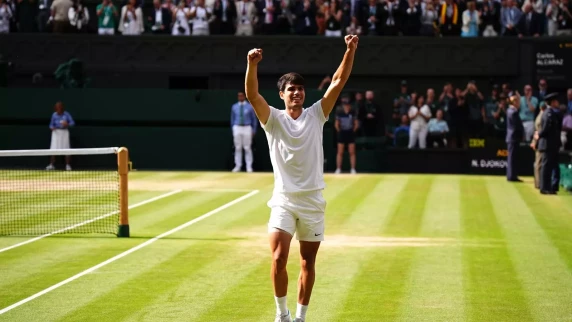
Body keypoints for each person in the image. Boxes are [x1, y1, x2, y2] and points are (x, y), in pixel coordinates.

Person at [244, 35, 359, 322]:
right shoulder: (272, 118)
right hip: (283, 200)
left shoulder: (317, 114)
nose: (297, 93)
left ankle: (300, 317)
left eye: (300, 89)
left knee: (308, 262)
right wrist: (251, 65)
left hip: (312, 201)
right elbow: (252, 95)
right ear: (282, 94)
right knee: (278, 258)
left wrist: (350, 50)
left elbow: (338, 81)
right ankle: (281, 315)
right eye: (291, 89)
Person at [537, 92, 563, 194]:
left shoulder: (553, 113)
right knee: (546, 166)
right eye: (556, 101)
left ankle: (549, 187)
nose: (558, 103)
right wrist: (538, 135)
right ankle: (544, 188)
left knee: (550, 166)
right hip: (548, 144)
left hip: (552, 144)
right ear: (552, 102)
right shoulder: (548, 113)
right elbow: (546, 129)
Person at [230, 91, 257, 172]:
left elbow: (254, 119)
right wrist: (233, 128)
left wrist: (254, 130)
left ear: (244, 96)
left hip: (247, 127)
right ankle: (238, 166)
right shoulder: (234, 107)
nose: (240, 97)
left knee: (247, 147)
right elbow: (232, 118)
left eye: (242, 95)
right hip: (237, 127)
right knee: (237, 147)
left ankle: (249, 166)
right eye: (239, 96)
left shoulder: (250, 107)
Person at [46, 101, 75, 171]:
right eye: (57, 107)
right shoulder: (54, 115)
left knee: (66, 148)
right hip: (56, 133)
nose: (58, 109)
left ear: (62, 108)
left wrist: (67, 124)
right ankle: (51, 165)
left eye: (60, 107)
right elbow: (51, 124)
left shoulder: (67, 114)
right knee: (53, 148)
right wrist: (51, 127)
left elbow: (72, 123)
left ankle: (68, 165)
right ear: (55, 108)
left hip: (64, 132)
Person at [334, 99, 358, 174]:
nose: (347, 106)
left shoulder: (353, 112)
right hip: (342, 133)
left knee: (352, 152)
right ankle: (338, 169)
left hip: (350, 133)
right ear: (343, 105)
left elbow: (356, 124)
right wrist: (340, 131)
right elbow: (336, 124)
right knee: (340, 152)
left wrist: (352, 131)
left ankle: (353, 169)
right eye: (345, 105)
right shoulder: (339, 112)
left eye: (348, 105)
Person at [505, 94, 524, 182]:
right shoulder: (514, 112)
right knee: (512, 157)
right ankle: (512, 176)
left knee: (512, 157)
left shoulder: (509, 110)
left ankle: (511, 175)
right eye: (518, 101)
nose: (519, 103)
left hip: (511, 137)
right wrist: (521, 134)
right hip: (514, 137)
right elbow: (517, 126)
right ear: (515, 102)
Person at [530, 101, 547, 189]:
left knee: (538, 163)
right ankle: (539, 183)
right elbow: (538, 132)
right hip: (540, 143)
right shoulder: (541, 117)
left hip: (538, 142)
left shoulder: (539, 116)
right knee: (538, 164)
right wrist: (534, 142)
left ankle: (538, 182)